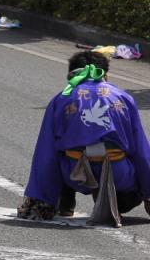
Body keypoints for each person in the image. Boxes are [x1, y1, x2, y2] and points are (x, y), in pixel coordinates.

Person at [17, 51, 150, 227]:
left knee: (56, 152)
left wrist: (40, 198)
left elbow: (46, 151)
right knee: (135, 161)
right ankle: (115, 202)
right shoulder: (123, 98)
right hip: (119, 173)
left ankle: (64, 205)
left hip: (75, 173)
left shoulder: (61, 98)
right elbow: (141, 149)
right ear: (104, 73)